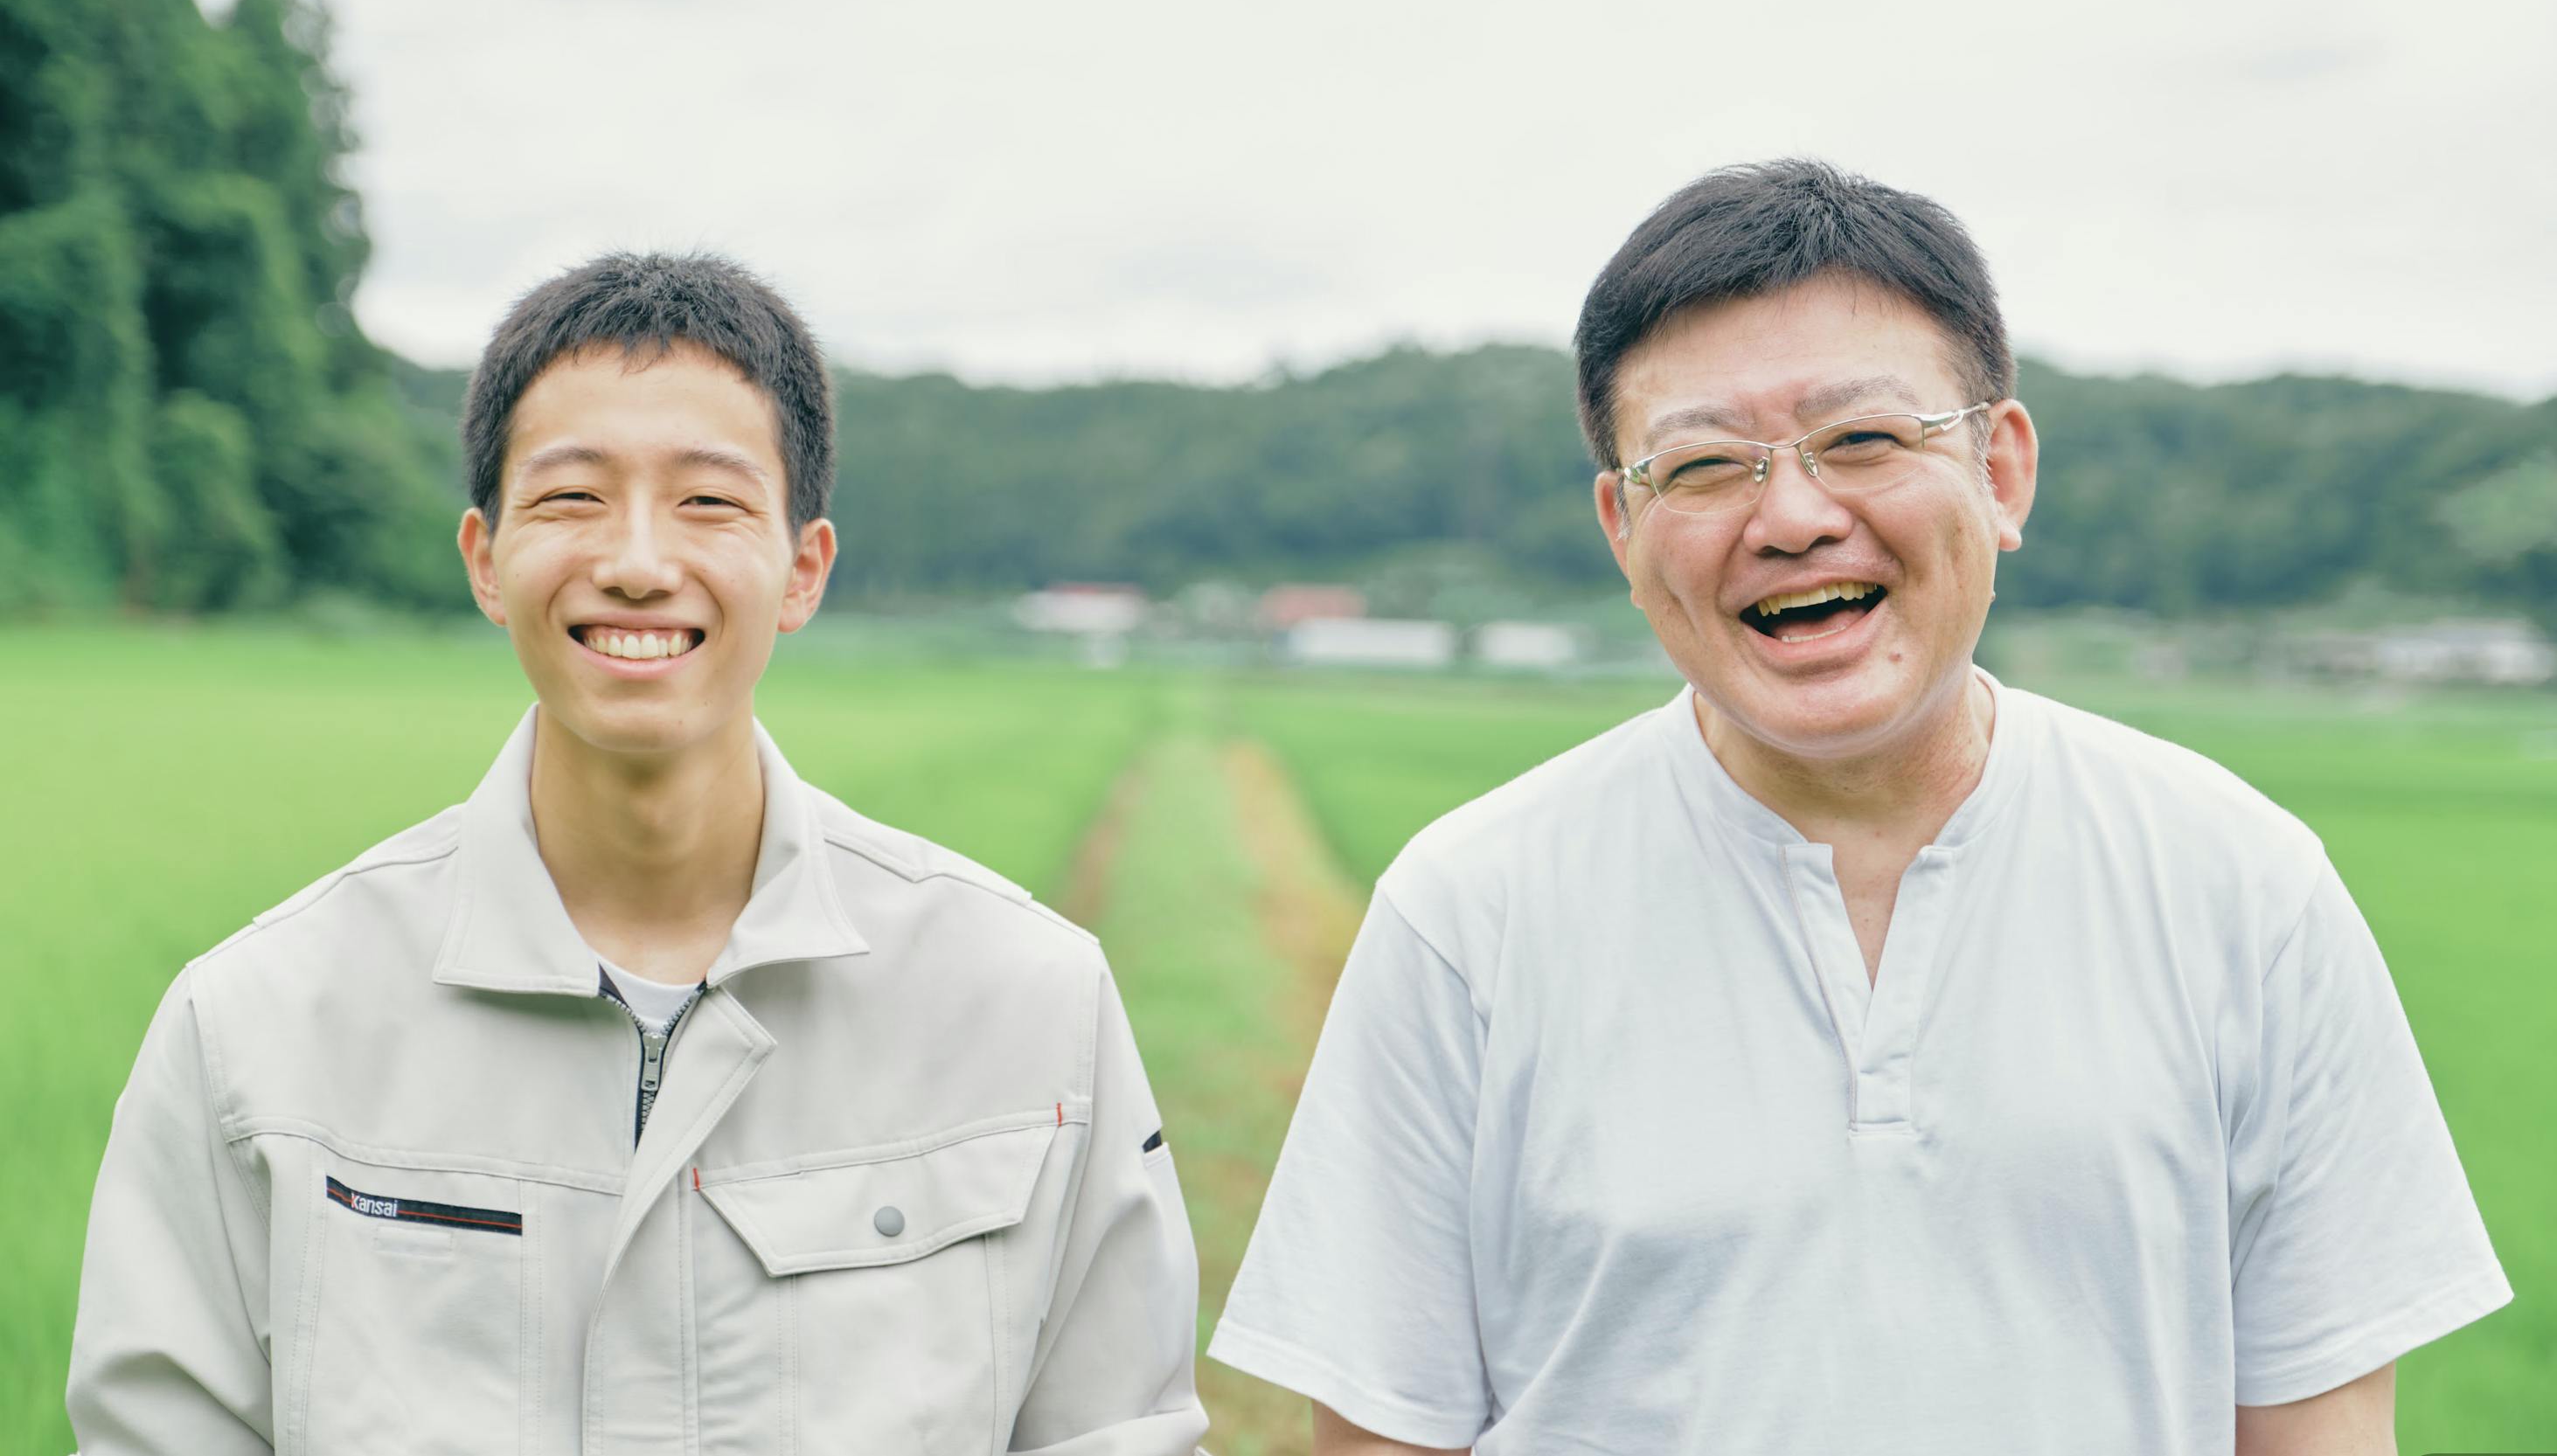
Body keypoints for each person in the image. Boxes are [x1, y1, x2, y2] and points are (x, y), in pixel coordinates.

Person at [1206, 161, 2509, 1453]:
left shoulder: (2242, 886)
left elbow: (2323, 1426)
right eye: (1702, 465)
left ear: (2001, 470)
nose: (1790, 517)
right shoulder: (1470, 912)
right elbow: (1381, 1438)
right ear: (1621, 527)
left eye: (1862, 441)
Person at [67, 252, 1208, 1454]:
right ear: (484, 559)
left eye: (708, 502)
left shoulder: (1029, 1005)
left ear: (803, 569)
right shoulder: (257, 1027)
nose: (638, 564)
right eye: (572, 497)